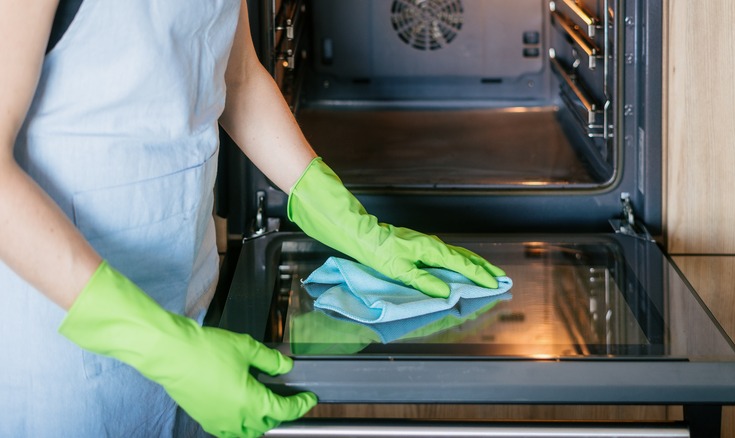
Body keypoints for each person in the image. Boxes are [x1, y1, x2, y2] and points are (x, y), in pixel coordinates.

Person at [0, 1, 505, 436]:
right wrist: (158, 344)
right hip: (61, 329)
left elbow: (237, 75)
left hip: (186, 299)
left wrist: (353, 225)